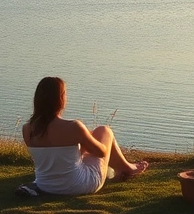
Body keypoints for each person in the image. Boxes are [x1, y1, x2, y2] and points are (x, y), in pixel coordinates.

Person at [19, 76, 148, 196]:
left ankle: (124, 169)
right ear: (60, 99)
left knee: (90, 138)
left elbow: (59, 156)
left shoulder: (27, 129)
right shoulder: (73, 126)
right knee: (104, 131)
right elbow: (101, 152)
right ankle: (128, 169)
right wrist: (86, 141)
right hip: (79, 186)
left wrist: (83, 140)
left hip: (45, 186)